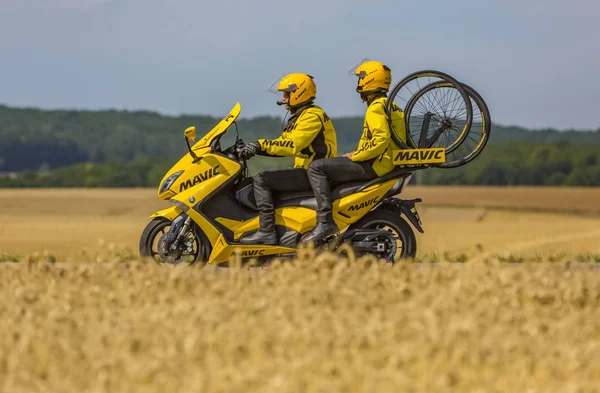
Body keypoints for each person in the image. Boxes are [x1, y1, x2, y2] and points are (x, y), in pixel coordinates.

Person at [302, 59, 407, 244]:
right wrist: (357, 151)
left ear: (370, 80)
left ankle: (325, 221)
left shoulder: (375, 108)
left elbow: (380, 140)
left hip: (375, 165)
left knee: (316, 167)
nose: (359, 82)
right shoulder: (390, 104)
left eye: (361, 78)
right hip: (385, 163)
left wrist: (356, 156)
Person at [239, 73, 337, 245]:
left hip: (312, 174)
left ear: (299, 93)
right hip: (308, 171)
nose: (284, 98)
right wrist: (250, 147)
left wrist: (259, 145)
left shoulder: (311, 117)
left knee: (261, 180)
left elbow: (291, 145)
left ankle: (266, 231)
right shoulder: (302, 115)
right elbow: (281, 144)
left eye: (287, 94)